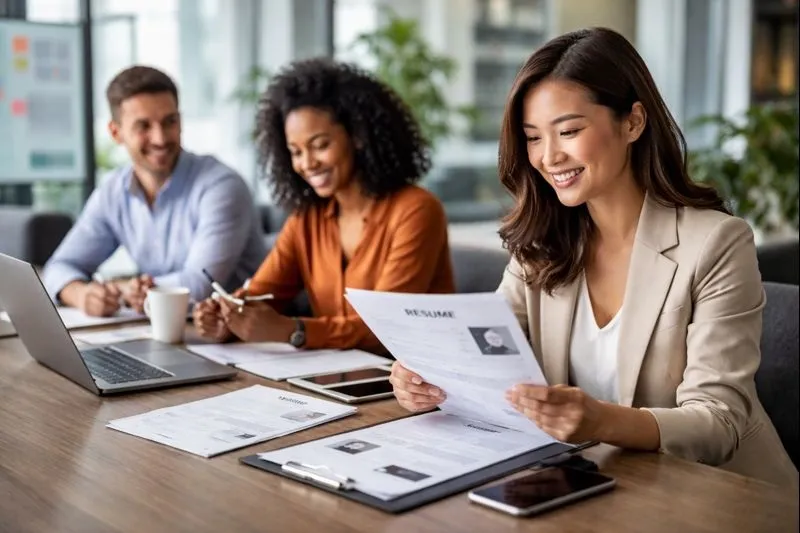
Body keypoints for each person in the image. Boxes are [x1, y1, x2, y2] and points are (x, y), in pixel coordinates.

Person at [389, 28, 798, 489]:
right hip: (599, 483)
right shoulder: (541, 243)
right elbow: (482, 352)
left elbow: (718, 424)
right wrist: (428, 378)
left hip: (719, 494)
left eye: (568, 131)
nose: (548, 157)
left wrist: (600, 421)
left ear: (633, 123)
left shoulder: (717, 242)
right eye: (533, 138)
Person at [193, 58, 454, 353]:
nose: (307, 163)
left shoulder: (416, 211)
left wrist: (295, 330)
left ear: (357, 136)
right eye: (296, 152)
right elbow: (263, 296)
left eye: (320, 145)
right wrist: (229, 317)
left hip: (412, 385)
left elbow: (387, 328)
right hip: (337, 376)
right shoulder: (307, 218)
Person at [42, 66, 266, 317]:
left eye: (169, 122)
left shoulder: (221, 186)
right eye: (143, 126)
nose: (160, 138)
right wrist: (82, 295)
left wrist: (123, 290)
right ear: (116, 133)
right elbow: (59, 266)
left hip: (237, 338)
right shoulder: (113, 192)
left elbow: (198, 286)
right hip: (160, 330)